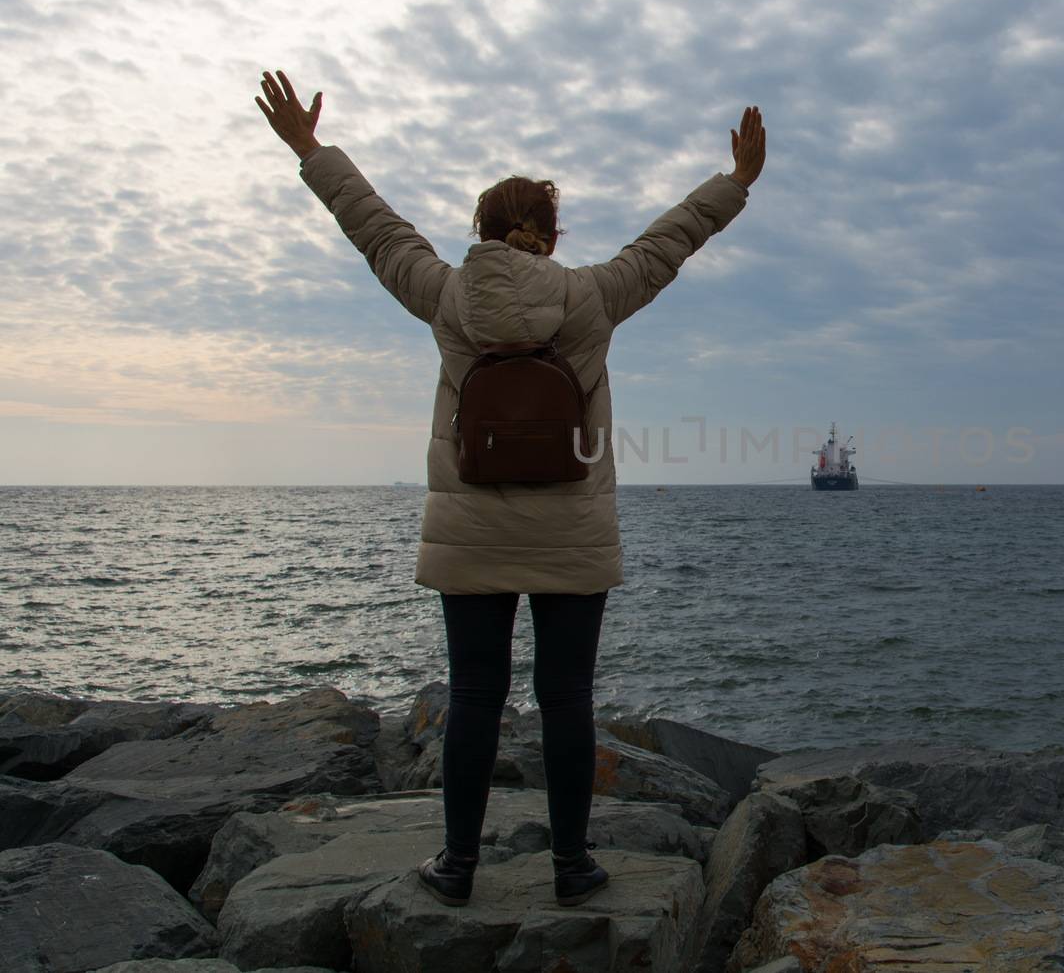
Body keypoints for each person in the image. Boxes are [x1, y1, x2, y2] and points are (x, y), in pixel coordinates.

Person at [254, 70, 765, 908]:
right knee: (565, 699)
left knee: (475, 697)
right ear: (552, 236)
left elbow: (374, 228)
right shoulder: (593, 297)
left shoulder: (450, 297)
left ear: (482, 232)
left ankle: (457, 867)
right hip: (572, 527)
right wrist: (736, 183)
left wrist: (313, 152)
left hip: (473, 528)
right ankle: (572, 868)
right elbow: (670, 241)